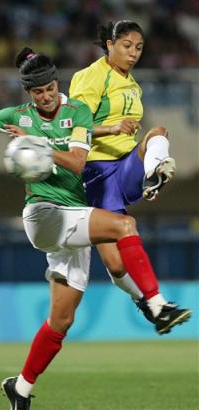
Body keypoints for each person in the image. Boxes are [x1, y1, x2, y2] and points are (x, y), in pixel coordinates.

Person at [0, 47, 191, 410]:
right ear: (28, 94)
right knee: (124, 224)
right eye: (37, 92)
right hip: (44, 215)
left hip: (72, 216)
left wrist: (37, 145)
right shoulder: (18, 116)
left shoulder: (76, 111)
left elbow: (78, 164)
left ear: (56, 84)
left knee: (61, 321)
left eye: (49, 89)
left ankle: (22, 387)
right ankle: (155, 305)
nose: (45, 96)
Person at [69, 20, 178, 316]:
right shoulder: (90, 76)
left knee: (157, 133)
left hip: (126, 165)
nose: (133, 53)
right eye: (127, 46)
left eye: (139, 48)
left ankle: (153, 173)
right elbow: (74, 127)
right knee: (116, 265)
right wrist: (114, 126)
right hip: (97, 173)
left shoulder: (133, 85)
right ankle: (147, 303)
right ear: (110, 44)